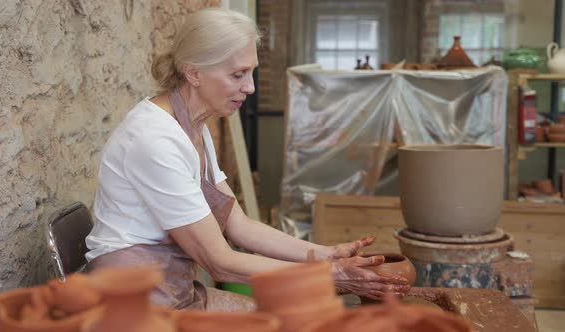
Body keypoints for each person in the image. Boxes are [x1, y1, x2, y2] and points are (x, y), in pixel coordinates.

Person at [85, 7, 410, 312]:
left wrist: (324, 255)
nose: (251, 87)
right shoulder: (155, 139)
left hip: (173, 289)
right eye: (238, 75)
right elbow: (219, 262)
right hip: (132, 304)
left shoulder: (193, 128)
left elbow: (238, 225)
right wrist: (330, 275)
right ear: (194, 73)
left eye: (251, 73)